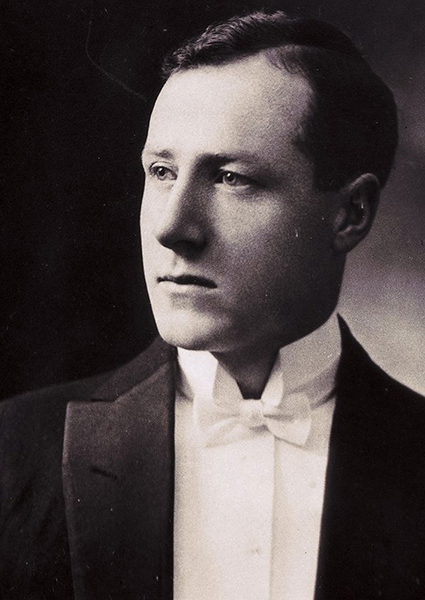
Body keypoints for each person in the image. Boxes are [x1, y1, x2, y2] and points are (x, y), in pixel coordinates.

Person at [1, 10, 425, 600]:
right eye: (162, 172)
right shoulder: (13, 453)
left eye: (231, 178)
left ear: (351, 213)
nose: (173, 228)